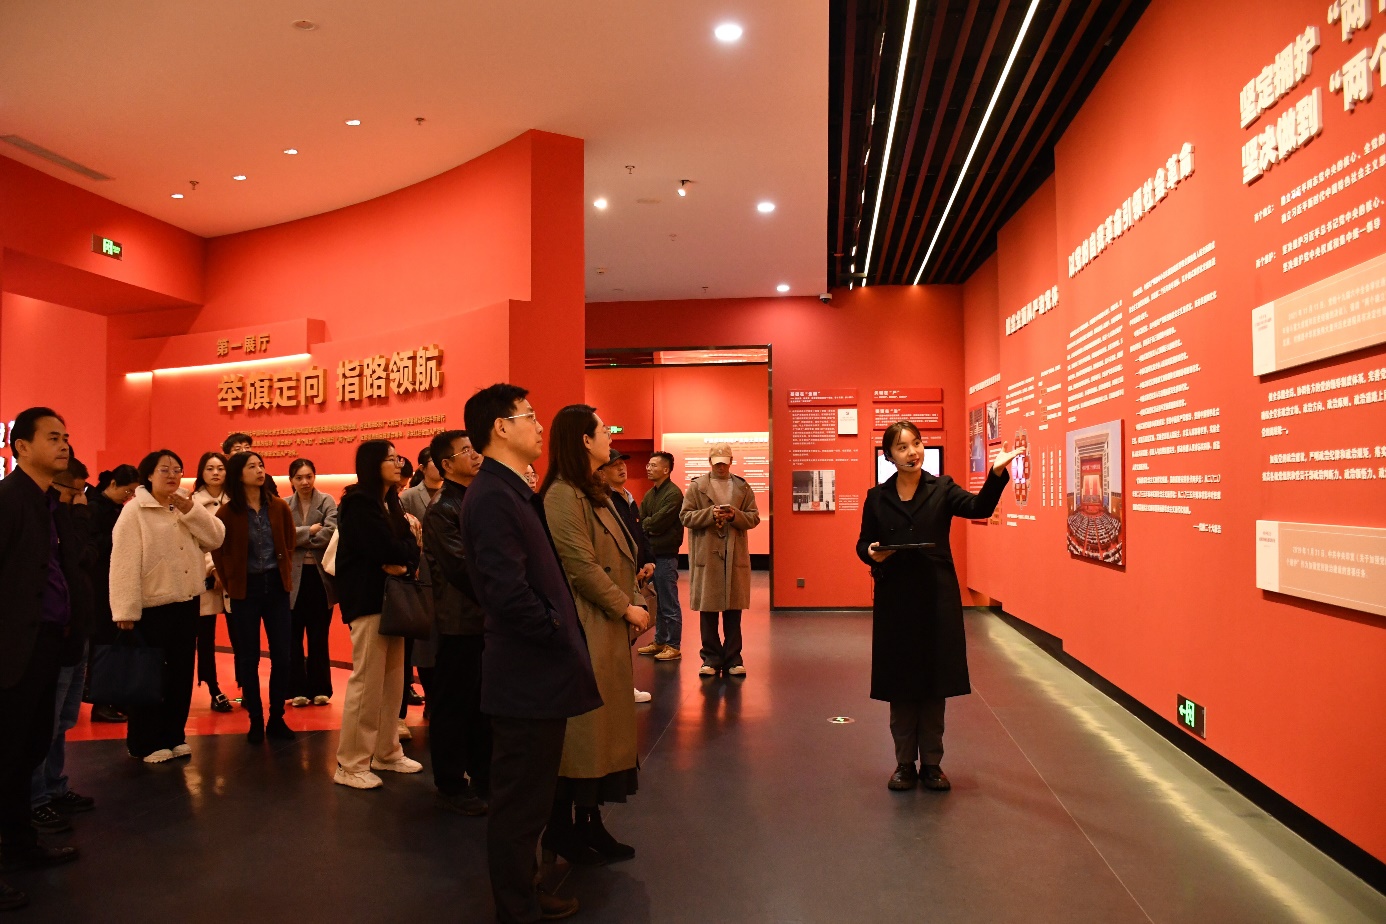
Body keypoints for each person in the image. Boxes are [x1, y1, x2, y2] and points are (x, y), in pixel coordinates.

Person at [461, 384, 600, 924]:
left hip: (534, 672)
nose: (540, 427)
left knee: (531, 799)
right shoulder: (494, 496)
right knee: (519, 804)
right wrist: (555, 627)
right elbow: (506, 591)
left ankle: (526, 889)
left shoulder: (508, 489)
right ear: (501, 427)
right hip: (525, 674)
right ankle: (516, 908)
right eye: (530, 416)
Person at [856, 420, 1021, 793]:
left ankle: (932, 764)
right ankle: (903, 764)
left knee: (934, 684)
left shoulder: (942, 488)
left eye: (916, 443)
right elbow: (864, 542)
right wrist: (870, 553)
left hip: (936, 597)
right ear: (889, 456)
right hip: (896, 599)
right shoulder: (877, 497)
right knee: (900, 685)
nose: (912, 452)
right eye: (902, 447)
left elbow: (979, 507)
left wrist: (996, 473)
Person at [541, 407, 649, 866]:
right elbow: (580, 566)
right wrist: (625, 606)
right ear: (584, 441)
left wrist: (634, 599)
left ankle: (588, 822)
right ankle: (564, 829)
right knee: (583, 736)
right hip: (586, 626)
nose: (610, 437)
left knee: (601, 733)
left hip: (606, 626)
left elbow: (621, 556)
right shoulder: (562, 495)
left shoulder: (595, 491)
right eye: (604, 430)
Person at [0, 408, 85, 909]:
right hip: (14, 647)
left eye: (66, 437)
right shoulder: (9, 500)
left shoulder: (52, 503)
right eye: (53, 437)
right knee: (6, 753)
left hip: (48, 643)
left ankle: (19, 845)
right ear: (21, 447)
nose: (64, 445)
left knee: (28, 748)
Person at [111, 450, 225, 762]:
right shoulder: (134, 511)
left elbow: (216, 538)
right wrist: (125, 610)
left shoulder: (186, 505)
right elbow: (123, 563)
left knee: (180, 673)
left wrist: (192, 511)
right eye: (165, 470)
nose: (172, 475)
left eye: (177, 469)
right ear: (149, 475)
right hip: (151, 606)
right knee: (149, 677)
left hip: (187, 601)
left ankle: (174, 735)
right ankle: (145, 742)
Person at [333, 440, 422, 789]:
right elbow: (384, 547)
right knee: (367, 684)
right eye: (390, 459)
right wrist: (401, 554)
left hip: (393, 600)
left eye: (398, 458)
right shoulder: (358, 503)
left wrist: (404, 560)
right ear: (373, 464)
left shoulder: (391, 501)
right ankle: (351, 763)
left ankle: (387, 751)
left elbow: (410, 547)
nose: (398, 464)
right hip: (368, 600)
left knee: (393, 682)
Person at [421, 429, 490, 816]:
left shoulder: (474, 499)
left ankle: (482, 775)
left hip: (482, 619)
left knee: (481, 703)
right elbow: (463, 568)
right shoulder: (442, 508)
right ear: (446, 464)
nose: (475, 455)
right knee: (453, 705)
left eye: (474, 448)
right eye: (466, 451)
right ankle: (449, 783)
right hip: (458, 621)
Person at [30, 457, 97, 837]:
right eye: (77, 492)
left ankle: (54, 786)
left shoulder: (64, 517)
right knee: (45, 723)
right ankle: (35, 798)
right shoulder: (48, 519)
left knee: (63, 721)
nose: (82, 498)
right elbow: (80, 555)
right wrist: (79, 517)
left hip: (78, 630)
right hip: (55, 634)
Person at [211, 452, 298, 744]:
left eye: (261, 465)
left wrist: (284, 570)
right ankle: (256, 720)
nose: (260, 471)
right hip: (245, 590)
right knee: (248, 658)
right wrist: (230, 580)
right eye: (252, 467)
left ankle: (277, 718)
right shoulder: (227, 513)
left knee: (282, 656)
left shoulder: (279, 506)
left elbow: (289, 541)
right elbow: (218, 551)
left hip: (276, 586)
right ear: (239, 474)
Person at [679, 442, 761, 678]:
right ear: (710, 462)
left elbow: (754, 517)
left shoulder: (742, 487)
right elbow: (685, 516)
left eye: (724, 463)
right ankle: (711, 658)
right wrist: (710, 514)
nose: (721, 467)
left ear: (731, 461)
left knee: (734, 611)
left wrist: (735, 515)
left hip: (734, 555)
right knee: (708, 610)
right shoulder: (697, 487)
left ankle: (734, 658)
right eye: (717, 463)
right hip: (708, 555)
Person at [599, 450, 656, 704]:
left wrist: (648, 560)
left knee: (628, 636)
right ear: (602, 472)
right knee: (616, 635)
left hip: (636, 574)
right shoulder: (604, 500)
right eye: (615, 465)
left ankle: (622, 686)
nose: (622, 468)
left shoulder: (629, 497)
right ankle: (618, 688)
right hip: (619, 577)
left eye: (623, 464)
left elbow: (638, 533)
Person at [85, 465, 140, 724]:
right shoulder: (94, 508)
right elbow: (94, 545)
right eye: (127, 491)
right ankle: (100, 702)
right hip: (99, 586)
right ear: (114, 484)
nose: (128, 497)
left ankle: (116, 697)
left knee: (117, 643)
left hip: (114, 582)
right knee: (103, 644)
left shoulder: (117, 508)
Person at [285, 459, 337, 708]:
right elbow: (282, 537)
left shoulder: (327, 500)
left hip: (319, 578)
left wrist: (299, 536)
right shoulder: (284, 505)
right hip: (292, 579)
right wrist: (311, 530)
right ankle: (297, 689)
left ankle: (320, 689)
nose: (305, 482)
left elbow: (331, 532)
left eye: (309, 476)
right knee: (292, 636)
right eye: (299, 477)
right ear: (291, 480)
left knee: (319, 635)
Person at [397, 447, 440, 736]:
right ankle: (428, 698)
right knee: (424, 644)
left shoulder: (454, 492)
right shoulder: (410, 497)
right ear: (423, 467)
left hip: (447, 579)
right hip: (421, 577)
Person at [191, 452, 233, 713]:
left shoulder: (236, 501)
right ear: (201, 472)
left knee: (241, 636)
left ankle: (245, 688)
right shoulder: (192, 503)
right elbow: (195, 540)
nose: (216, 473)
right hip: (204, 578)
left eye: (220, 468)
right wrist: (213, 568)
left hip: (235, 578)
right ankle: (213, 688)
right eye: (209, 468)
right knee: (205, 638)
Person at [638, 451, 684, 662]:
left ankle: (673, 645)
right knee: (659, 602)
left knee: (669, 603)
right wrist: (647, 525)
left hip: (666, 556)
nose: (649, 468)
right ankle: (659, 641)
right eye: (648, 464)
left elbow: (658, 523)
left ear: (666, 470)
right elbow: (641, 520)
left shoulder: (673, 494)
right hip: (653, 555)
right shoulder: (651, 494)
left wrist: (646, 525)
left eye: (653, 465)